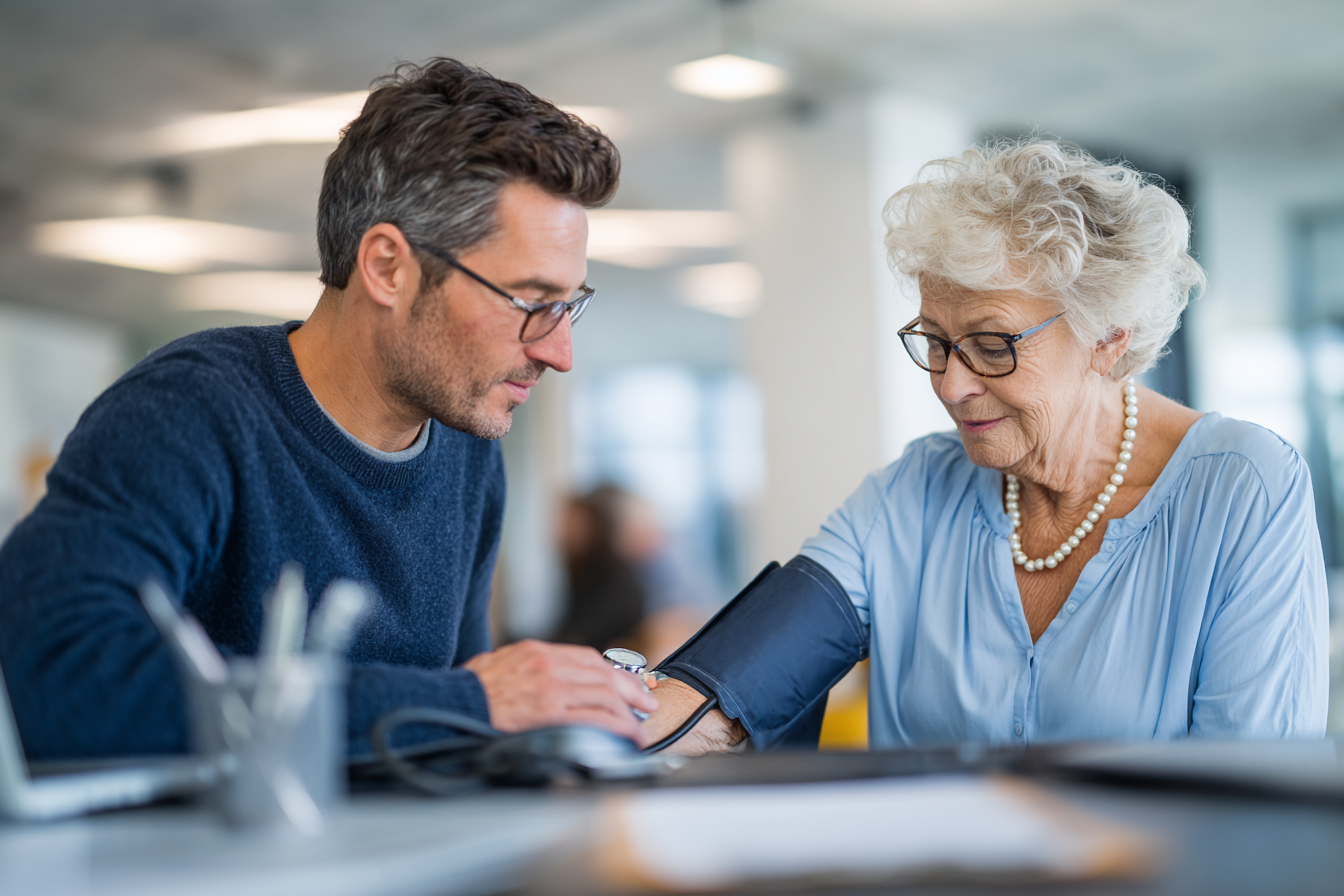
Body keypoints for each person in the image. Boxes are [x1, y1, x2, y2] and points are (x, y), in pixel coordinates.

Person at [0, 57, 656, 760]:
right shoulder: (188, 411)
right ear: (387, 268)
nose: (559, 352)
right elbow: (52, 678)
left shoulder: (469, 450)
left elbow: (450, 742)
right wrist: (470, 702)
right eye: (530, 303)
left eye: (568, 307)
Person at [643, 138, 1329, 753]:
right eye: (936, 342)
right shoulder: (912, 492)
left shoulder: (1243, 489)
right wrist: (601, 723)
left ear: (1108, 337)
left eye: (992, 346)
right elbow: (733, 687)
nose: (950, 384)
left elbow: (1255, 787)